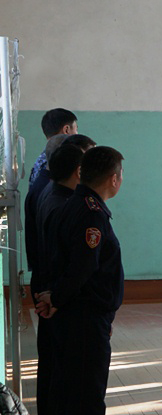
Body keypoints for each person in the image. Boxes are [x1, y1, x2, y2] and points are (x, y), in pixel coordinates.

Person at [35, 146, 126, 415]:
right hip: (84, 319)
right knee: (85, 401)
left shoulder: (72, 203)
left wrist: (52, 296)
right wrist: (56, 297)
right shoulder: (91, 215)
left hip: (75, 317)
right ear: (114, 178)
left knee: (70, 397)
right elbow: (83, 269)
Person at [32, 143, 85, 415]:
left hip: (55, 299)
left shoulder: (49, 194)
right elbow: (74, 265)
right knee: (70, 384)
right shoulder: (66, 205)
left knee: (57, 378)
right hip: (66, 306)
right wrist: (56, 297)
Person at [24, 110, 78, 293]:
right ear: (67, 129)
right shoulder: (52, 182)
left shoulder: (41, 165)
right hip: (51, 268)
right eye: (76, 129)